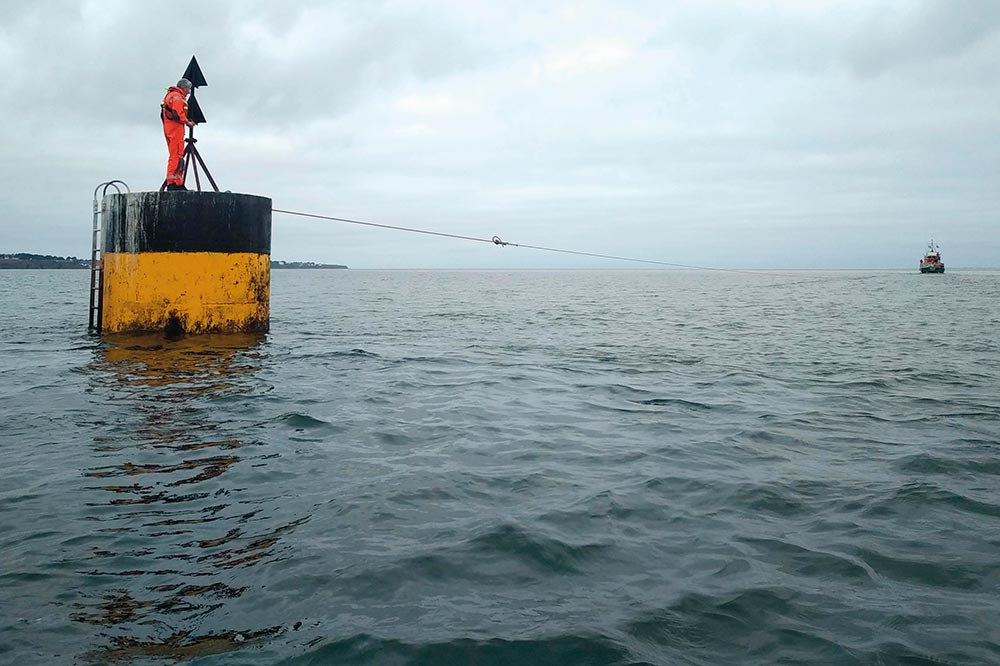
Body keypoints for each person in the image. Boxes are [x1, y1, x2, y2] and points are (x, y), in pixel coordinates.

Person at [161, 78, 196, 191]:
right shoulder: (177, 97)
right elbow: (177, 113)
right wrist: (187, 122)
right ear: (183, 87)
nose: (189, 91)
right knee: (176, 156)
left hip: (172, 128)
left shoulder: (171, 95)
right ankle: (172, 183)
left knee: (178, 156)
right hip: (175, 129)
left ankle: (178, 182)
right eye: (188, 88)